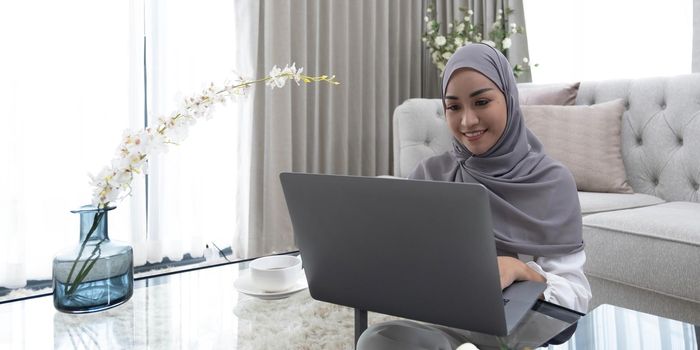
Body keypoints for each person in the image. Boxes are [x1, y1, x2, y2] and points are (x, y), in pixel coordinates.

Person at [357, 43, 591, 349]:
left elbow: (575, 298)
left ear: (508, 98)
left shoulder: (551, 181)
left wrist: (520, 271)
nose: (467, 121)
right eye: (454, 107)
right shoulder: (430, 175)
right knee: (375, 340)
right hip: (440, 324)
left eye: (481, 102)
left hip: (516, 334)